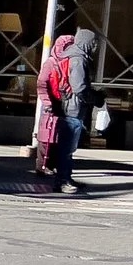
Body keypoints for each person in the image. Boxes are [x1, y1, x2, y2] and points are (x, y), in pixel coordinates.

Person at [39, 29, 89, 194]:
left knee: (66, 147)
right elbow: (42, 83)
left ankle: (65, 176)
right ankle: (60, 178)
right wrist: (47, 102)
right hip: (61, 107)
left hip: (63, 106)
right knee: (58, 145)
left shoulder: (68, 60)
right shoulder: (58, 62)